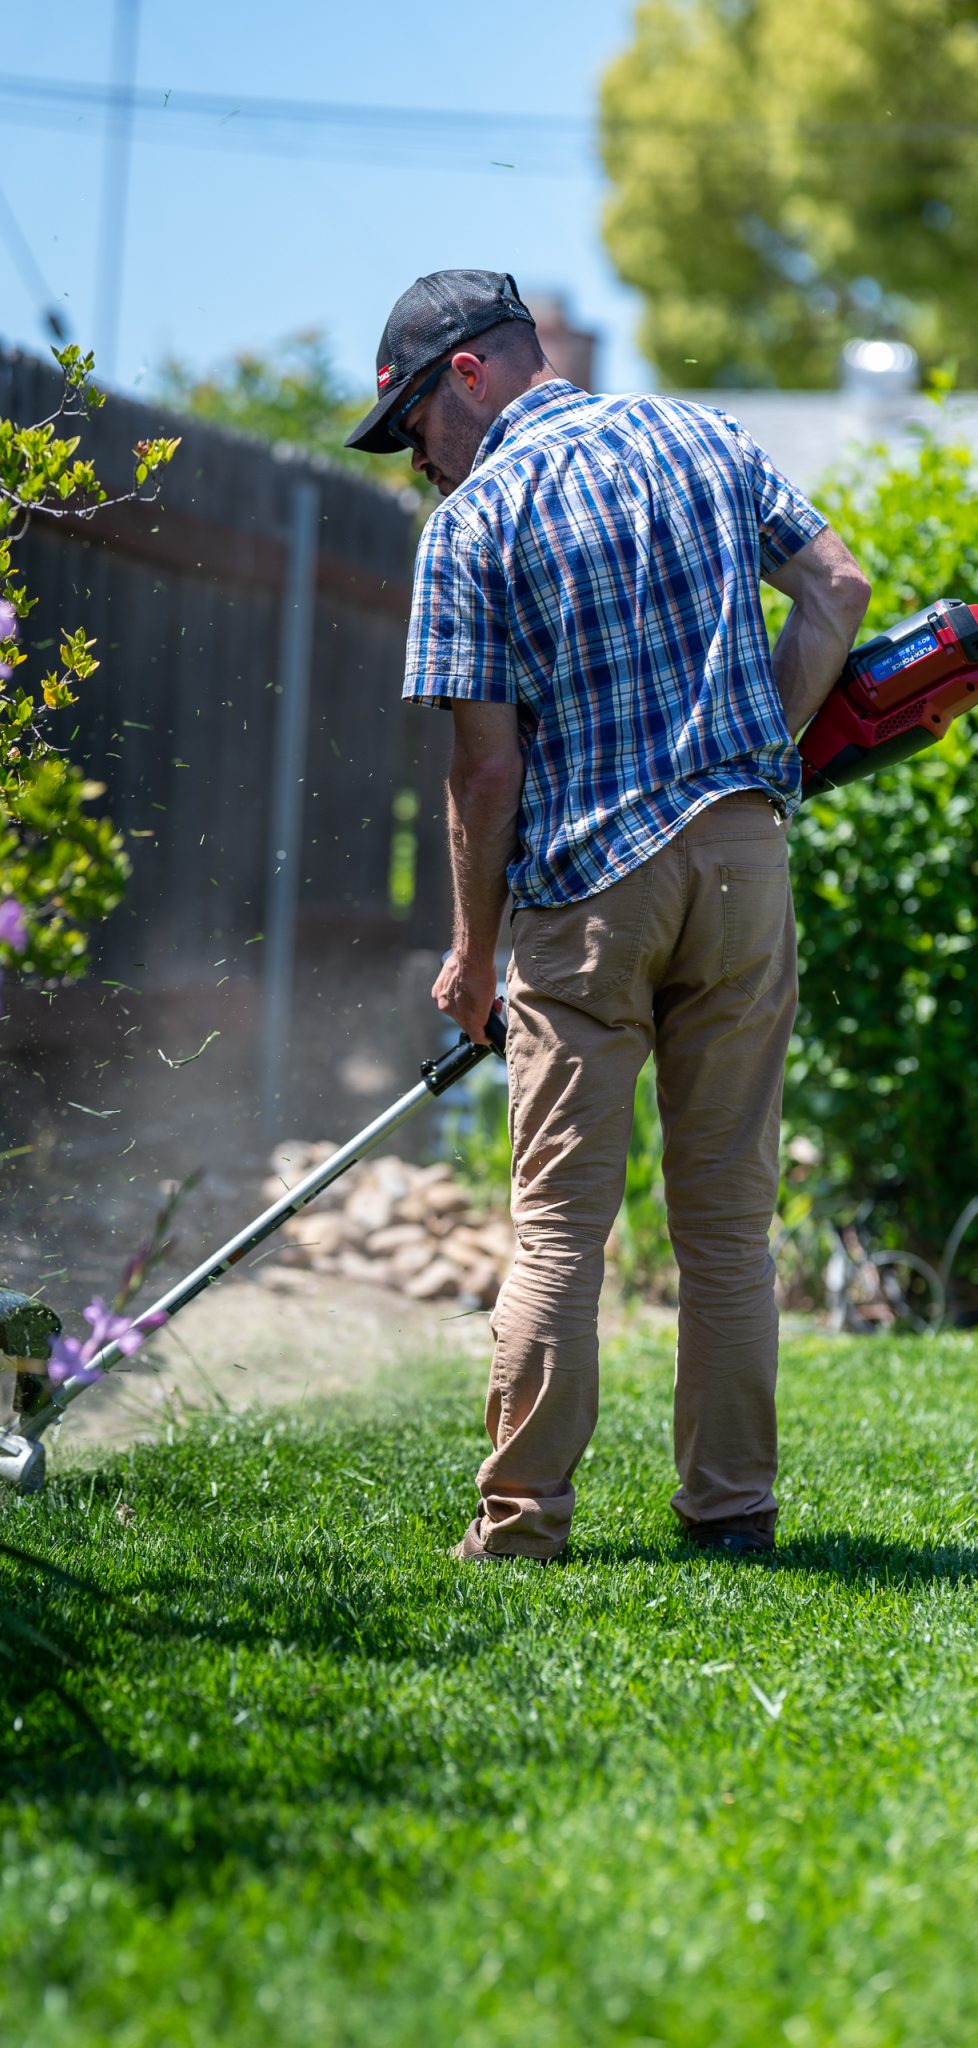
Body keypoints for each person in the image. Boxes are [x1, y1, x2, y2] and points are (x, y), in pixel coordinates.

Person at [346, 269, 871, 1561]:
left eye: (413, 428)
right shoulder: (701, 436)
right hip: (742, 866)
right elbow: (840, 589)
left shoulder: (472, 527)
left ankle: (522, 1522)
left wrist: (472, 959)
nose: (419, 462)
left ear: (464, 375)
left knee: (558, 1227)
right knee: (727, 1222)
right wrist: (761, 754)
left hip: (587, 894)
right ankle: (731, 1513)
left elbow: (482, 773)